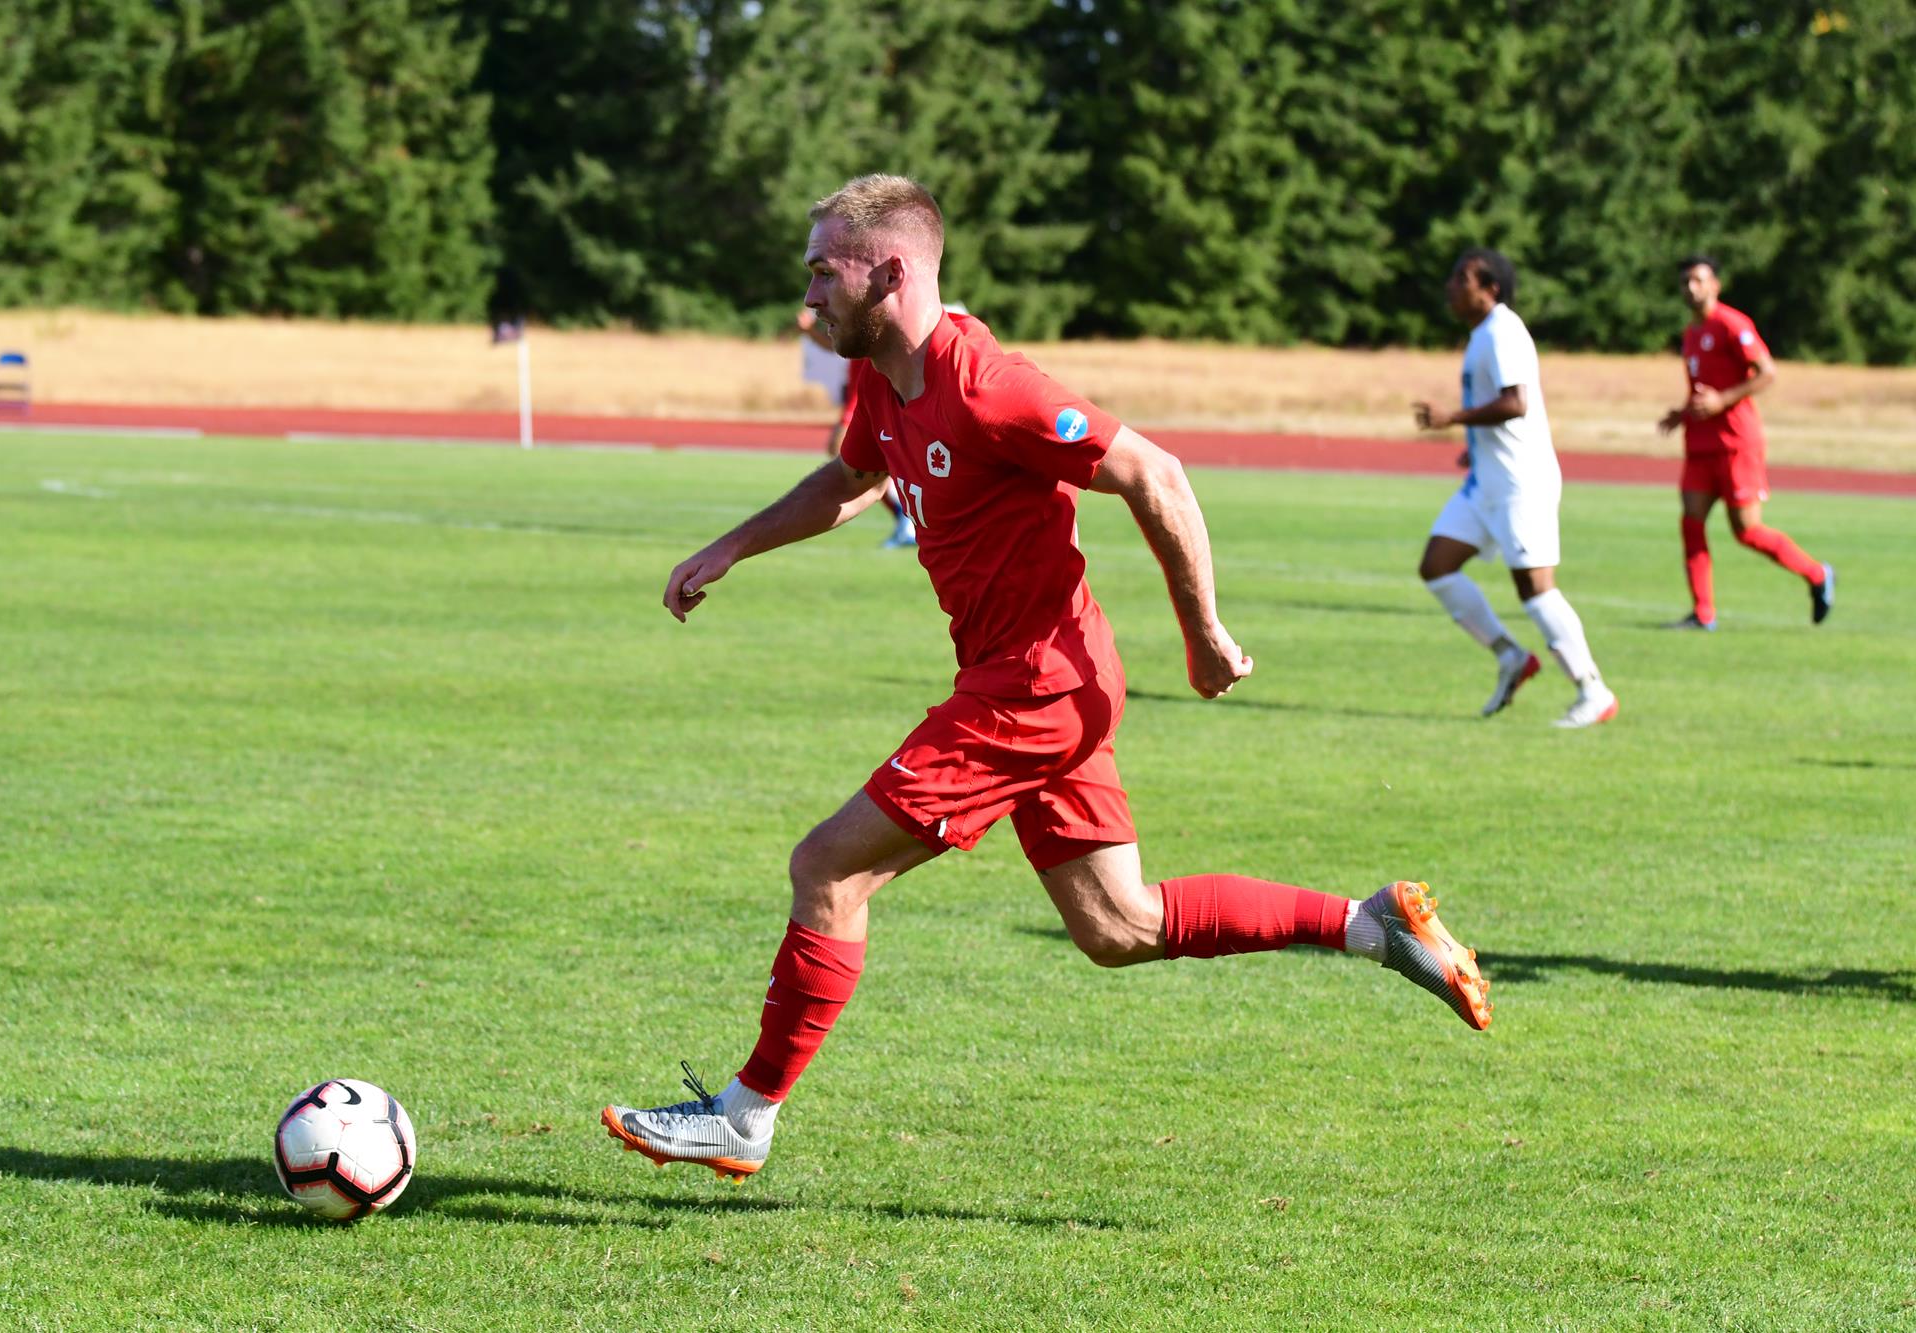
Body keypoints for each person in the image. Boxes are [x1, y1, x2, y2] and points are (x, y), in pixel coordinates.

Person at [602, 174, 1492, 1184]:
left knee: (827, 868)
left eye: (822, 272)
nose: (807, 296)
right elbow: (852, 479)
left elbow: (1154, 473)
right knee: (1118, 926)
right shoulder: (882, 379)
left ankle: (744, 1112)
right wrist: (730, 546)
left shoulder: (989, 385)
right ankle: (1369, 924)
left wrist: (1202, 633)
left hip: (1034, 688)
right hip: (1032, 680)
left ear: (888, 273)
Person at [1412, 248, 1617, 729]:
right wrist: (1474, 445)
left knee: (1536, 590)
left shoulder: (1503, 331)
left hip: (1522, 486)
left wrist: (1452, 419)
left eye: (1462, 279)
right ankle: (1510, 656)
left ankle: (1594, 691)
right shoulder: (1482, 334)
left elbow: (1516, 402)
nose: (1451, 286)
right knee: (1437, 567)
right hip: (1486, 483)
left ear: (1491, 289)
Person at [1657, 256, 1832, 629]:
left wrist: (1723, 400)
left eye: (1698, 280)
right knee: (1691, 522)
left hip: (1737, 443)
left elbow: (1767, 373)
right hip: (1701, 444)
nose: (1691, 288)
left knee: (1747, 531)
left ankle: (1816, 574)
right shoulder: (1690, 333)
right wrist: (1682, 414)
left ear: (1715, 285)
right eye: (1685, 281)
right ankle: (1703, 613)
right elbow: (1703, 390)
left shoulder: (1732, 324)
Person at [796, 306, 916, 547]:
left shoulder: (867, 316)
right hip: (859, 392)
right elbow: (835, 348)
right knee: (861, 460)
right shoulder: (853, 322)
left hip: (863, 394)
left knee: (845, 452)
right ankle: (905, 518)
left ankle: (906, 516)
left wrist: (811, 329)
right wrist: (809, 331)